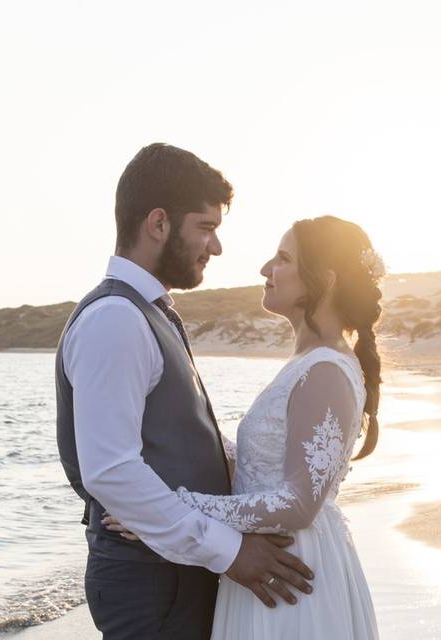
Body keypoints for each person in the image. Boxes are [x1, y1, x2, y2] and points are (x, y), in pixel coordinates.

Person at [54, 143, 314, 640]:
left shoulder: (147, 313)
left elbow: (174, 442)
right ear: (158, 223)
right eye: (206, 227)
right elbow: (111, 471)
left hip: (175, 574)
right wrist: (231, 551)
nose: (215, 248)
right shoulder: (115, 320)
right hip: (152, 585)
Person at [106, 215, 383, 639]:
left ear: (322, 281)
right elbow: (264, 469)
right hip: (272, 561)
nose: (265, 269)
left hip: (288, 573)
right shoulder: (308, 364)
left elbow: (297, 503)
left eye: (284, 258)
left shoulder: (326, 369)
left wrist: (170, 507)